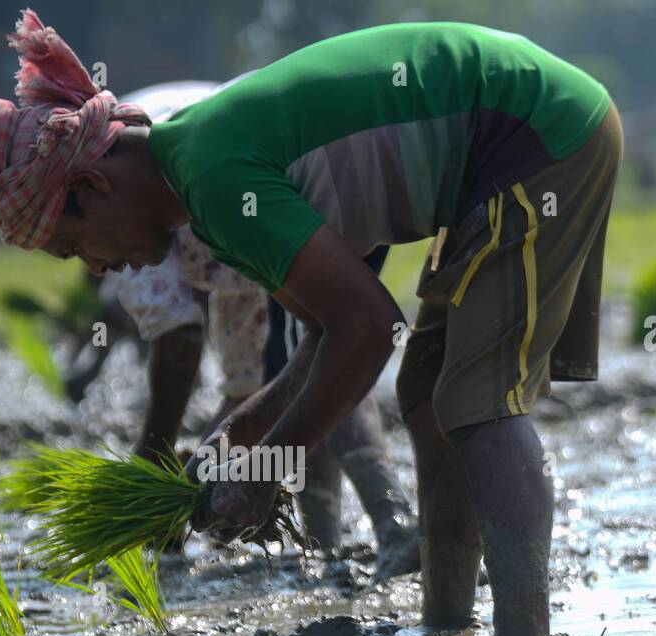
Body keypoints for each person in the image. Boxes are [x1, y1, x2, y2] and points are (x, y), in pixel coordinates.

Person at [0, 12, 622, 636]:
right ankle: (448, 632)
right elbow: (322, 345)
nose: (99, 269)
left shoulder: (214, 179)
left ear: (93, 185)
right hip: (503, 149)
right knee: (426, 396)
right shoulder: (204, 190)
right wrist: (243, 432)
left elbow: (368, 328)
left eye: (76, 248)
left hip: (533, 134)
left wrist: (272, 467)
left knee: (477, 404)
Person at [95, 81, 418, 577]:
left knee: (327, 349)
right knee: (304, 365)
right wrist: (202, 477)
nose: (99, 265)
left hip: (290, 177)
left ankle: (391, 525)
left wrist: (154, 462)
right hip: (275, 172)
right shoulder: (174, 225)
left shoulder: (135, 218)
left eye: (80, 248)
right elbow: (248, 389)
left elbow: (180, 344)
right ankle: (326, 546)